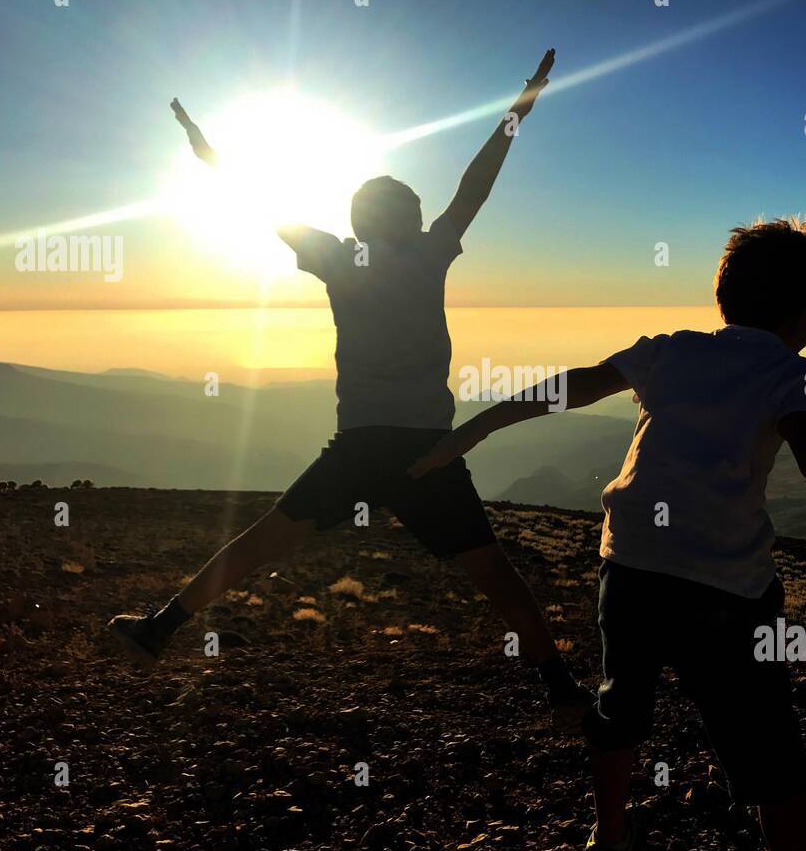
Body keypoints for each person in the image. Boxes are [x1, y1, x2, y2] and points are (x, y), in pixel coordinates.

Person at [408, 215, 806, 851]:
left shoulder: (672, 349)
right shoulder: (795, 373)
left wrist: (482, 424)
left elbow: (577, 383)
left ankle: (608, 840)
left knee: (620, 704)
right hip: (728, 588)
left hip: (630, 563)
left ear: (723, 297)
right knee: (768, 750)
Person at [110, 49, 594, 730]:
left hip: (359, 447)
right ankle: (562, 688)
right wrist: (523, 104)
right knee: (494, 572)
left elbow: (259, 203)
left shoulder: (337, 256)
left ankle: (162, 626)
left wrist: (206, 152)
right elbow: (477, 183)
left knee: (265, 538)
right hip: (428, 448)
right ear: (409, 216)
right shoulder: (429, 252)